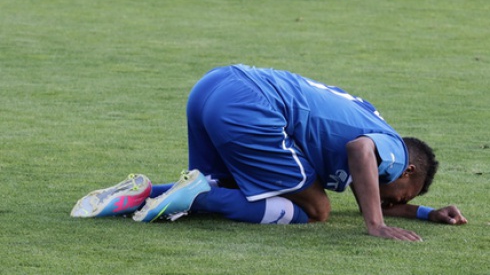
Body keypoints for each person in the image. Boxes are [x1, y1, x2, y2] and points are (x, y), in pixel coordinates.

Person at [71, 64, 467, 241]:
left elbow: (375, 191)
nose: (394, 200)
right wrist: (375, 225)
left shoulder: (369, 114)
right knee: (318, 210)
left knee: (226, 184)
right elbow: (361, 151)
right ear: (409, 170)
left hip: (214, 84)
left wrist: (427, 213)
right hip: (251, 105)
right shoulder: (393, 149)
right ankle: (201, 199)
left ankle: (140, 193)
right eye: (405, 196)